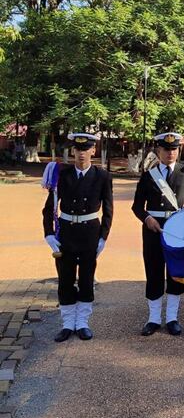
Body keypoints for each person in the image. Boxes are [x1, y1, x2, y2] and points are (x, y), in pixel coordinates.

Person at [42, 133, 113, 341]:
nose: (82, 154)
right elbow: (49, 208)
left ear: (93, 150)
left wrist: (103, 237)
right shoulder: (62, 175)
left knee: (86, 278)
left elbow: (108, 210)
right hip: (66, 232)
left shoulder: (103, 176)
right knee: (65, 279)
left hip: (90, 232)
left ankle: (82, 323)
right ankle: (67, 324)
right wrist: (49, 234)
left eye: (86, 149)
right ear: (73, 151)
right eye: (78, 149)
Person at [132, 132, 184, 337]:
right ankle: (153, 319)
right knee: (153, 272)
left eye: (174, 149)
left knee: (175, 273)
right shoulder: (148, 174)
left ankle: (172, 318)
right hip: (154, 229)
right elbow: (137, 206)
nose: (170, 153)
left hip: (178, 229)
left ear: (178, 151)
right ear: (158, 151)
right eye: (166, 149)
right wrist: (146, 218)